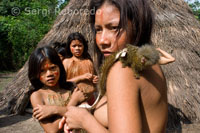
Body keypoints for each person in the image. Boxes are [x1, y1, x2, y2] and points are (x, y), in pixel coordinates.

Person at [59, 0, 170, 132]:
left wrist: (85, 121)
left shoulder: (123, 69)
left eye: (114, 28)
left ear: (137, 25)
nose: (102, 41)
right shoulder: (147, 64)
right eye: (98, 30)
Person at [28, 46, 86, 133]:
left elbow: (84, 115)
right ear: (35, 73)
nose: (49, 74)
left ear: (60, 67)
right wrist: (73, 101)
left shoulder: (72, 88)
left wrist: (54, 110)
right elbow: (52, 130)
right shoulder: (37, 96)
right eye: (42, 71)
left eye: (52, 68)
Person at [63, 32, 98, 105]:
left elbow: (94, 80)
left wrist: (95, 80)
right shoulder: (66, 62)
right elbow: (63, 83)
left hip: (90, 99)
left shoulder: (88, 62)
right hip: (72, 100)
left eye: (80, 46)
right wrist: (82, 77)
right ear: (69, 47)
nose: (77, 48)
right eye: (74, 46)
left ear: (84, 47)